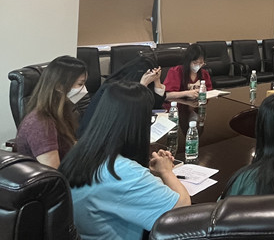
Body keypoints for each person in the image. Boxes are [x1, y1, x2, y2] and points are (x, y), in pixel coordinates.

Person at [59, 81, 190, 240]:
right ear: (138, 123)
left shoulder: (81, 150)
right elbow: (180, 214)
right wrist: (166, 172)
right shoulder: (121, 171)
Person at [15, 55, 87, 168]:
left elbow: (71, 145)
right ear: (59, 86)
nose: (84, 89)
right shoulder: (40, 123)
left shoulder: (62, 113)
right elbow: (53, 172)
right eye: (80, 84)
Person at [78, 55, 164, 136]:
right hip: (98, 134)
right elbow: (130, 114)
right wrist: (142, 86)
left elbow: (156, 106)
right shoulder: (113, 88)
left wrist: (157, 81)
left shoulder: (140, 84)